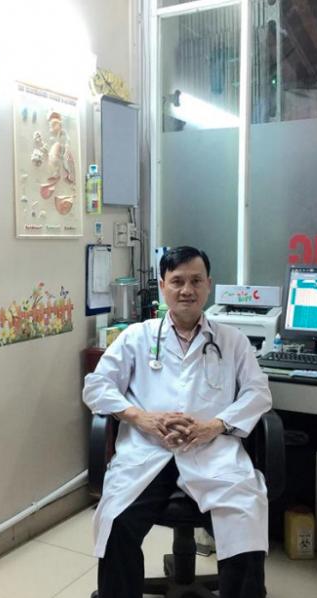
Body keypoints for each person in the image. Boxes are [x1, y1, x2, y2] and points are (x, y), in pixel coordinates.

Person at [83, 246, 272, 598]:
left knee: (245, 517)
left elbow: (258, 393)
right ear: (162, 286)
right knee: (117, 522)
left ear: (209, 284)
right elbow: (96, 386)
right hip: (147, 453)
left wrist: (214, 426)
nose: (187, 290)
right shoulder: (137, 337)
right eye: (177, 281)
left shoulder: (232, 341)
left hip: (211, 452)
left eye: (196, 281)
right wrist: (141, 418)